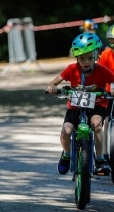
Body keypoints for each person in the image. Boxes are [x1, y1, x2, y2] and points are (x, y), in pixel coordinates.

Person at [46, 32, 114, 176]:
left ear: (97, 55)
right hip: (75, 107)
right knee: (67, 130)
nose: (86, 61)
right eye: (82, 58)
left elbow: (113, 80)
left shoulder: (102, 71)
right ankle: (66, 154)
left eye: (90, 57)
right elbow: (54, 82)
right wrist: (52, 87)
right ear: (77, 57)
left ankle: (100, 158)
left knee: (96, 124)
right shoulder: (71, 69)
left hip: (96, 106)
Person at [97, 24, 114, 160]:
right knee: (107, 120)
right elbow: (100, 73)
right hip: (109, 93)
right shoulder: (106, 54)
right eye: (112, 40)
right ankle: (105, 153)